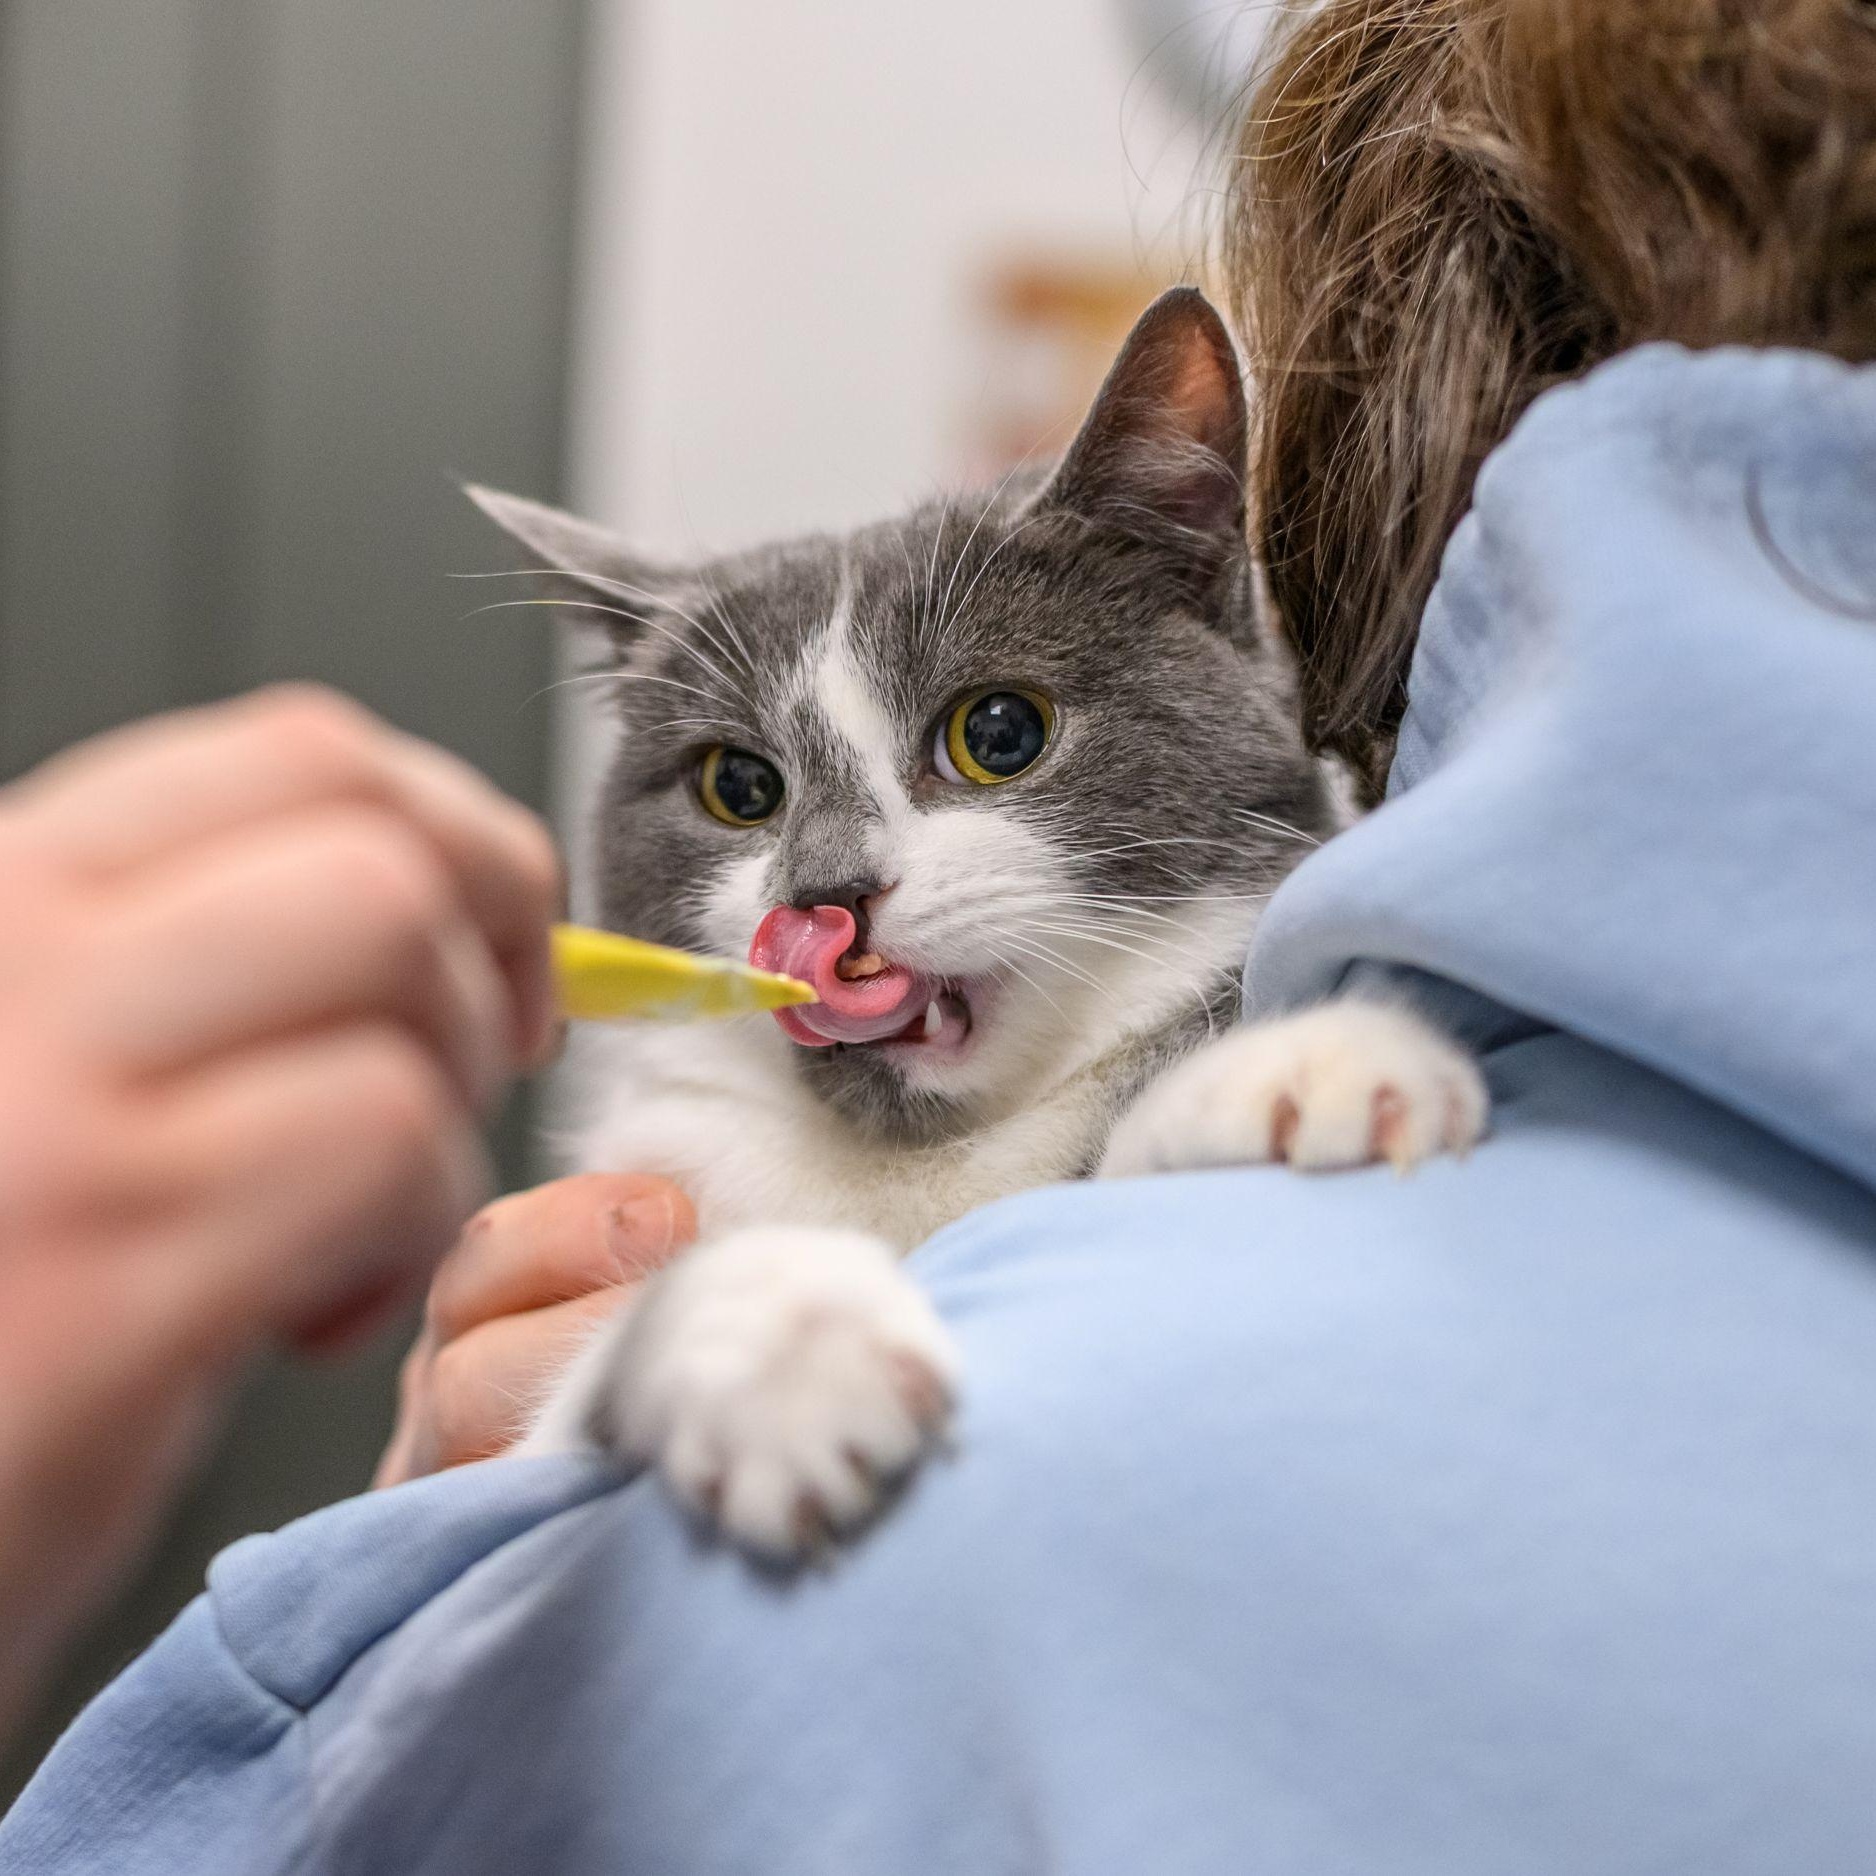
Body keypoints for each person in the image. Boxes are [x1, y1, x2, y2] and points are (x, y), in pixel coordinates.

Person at [8, 0, 1876, 1868]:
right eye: (744, 790)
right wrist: (606, 1413)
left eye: (988, 740)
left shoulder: (1303, 1110)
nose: (829, 878)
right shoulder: (683, 1188)